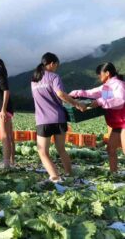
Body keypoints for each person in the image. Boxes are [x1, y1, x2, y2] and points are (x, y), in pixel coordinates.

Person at [31, 52, 86, 183]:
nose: (56, 68)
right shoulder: (54, 77)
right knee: (61, 149)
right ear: (52, 64)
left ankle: (55, 177)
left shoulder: (34, 79)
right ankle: (69, 174)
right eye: (56, 65)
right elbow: (60, 93)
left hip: (43, 120)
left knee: (43, 152)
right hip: (58, 118)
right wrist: (77, 103)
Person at [70, 62, 125, 173]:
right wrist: (75, 93)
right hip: (117, 124)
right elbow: (91, 93)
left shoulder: (119, 84)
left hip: (124, 122)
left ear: (107, 73)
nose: (99, 76)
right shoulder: (106, 87)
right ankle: (114, 174)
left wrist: (100, 101)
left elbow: (120, 101)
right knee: (110, 150)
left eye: (100, 74)